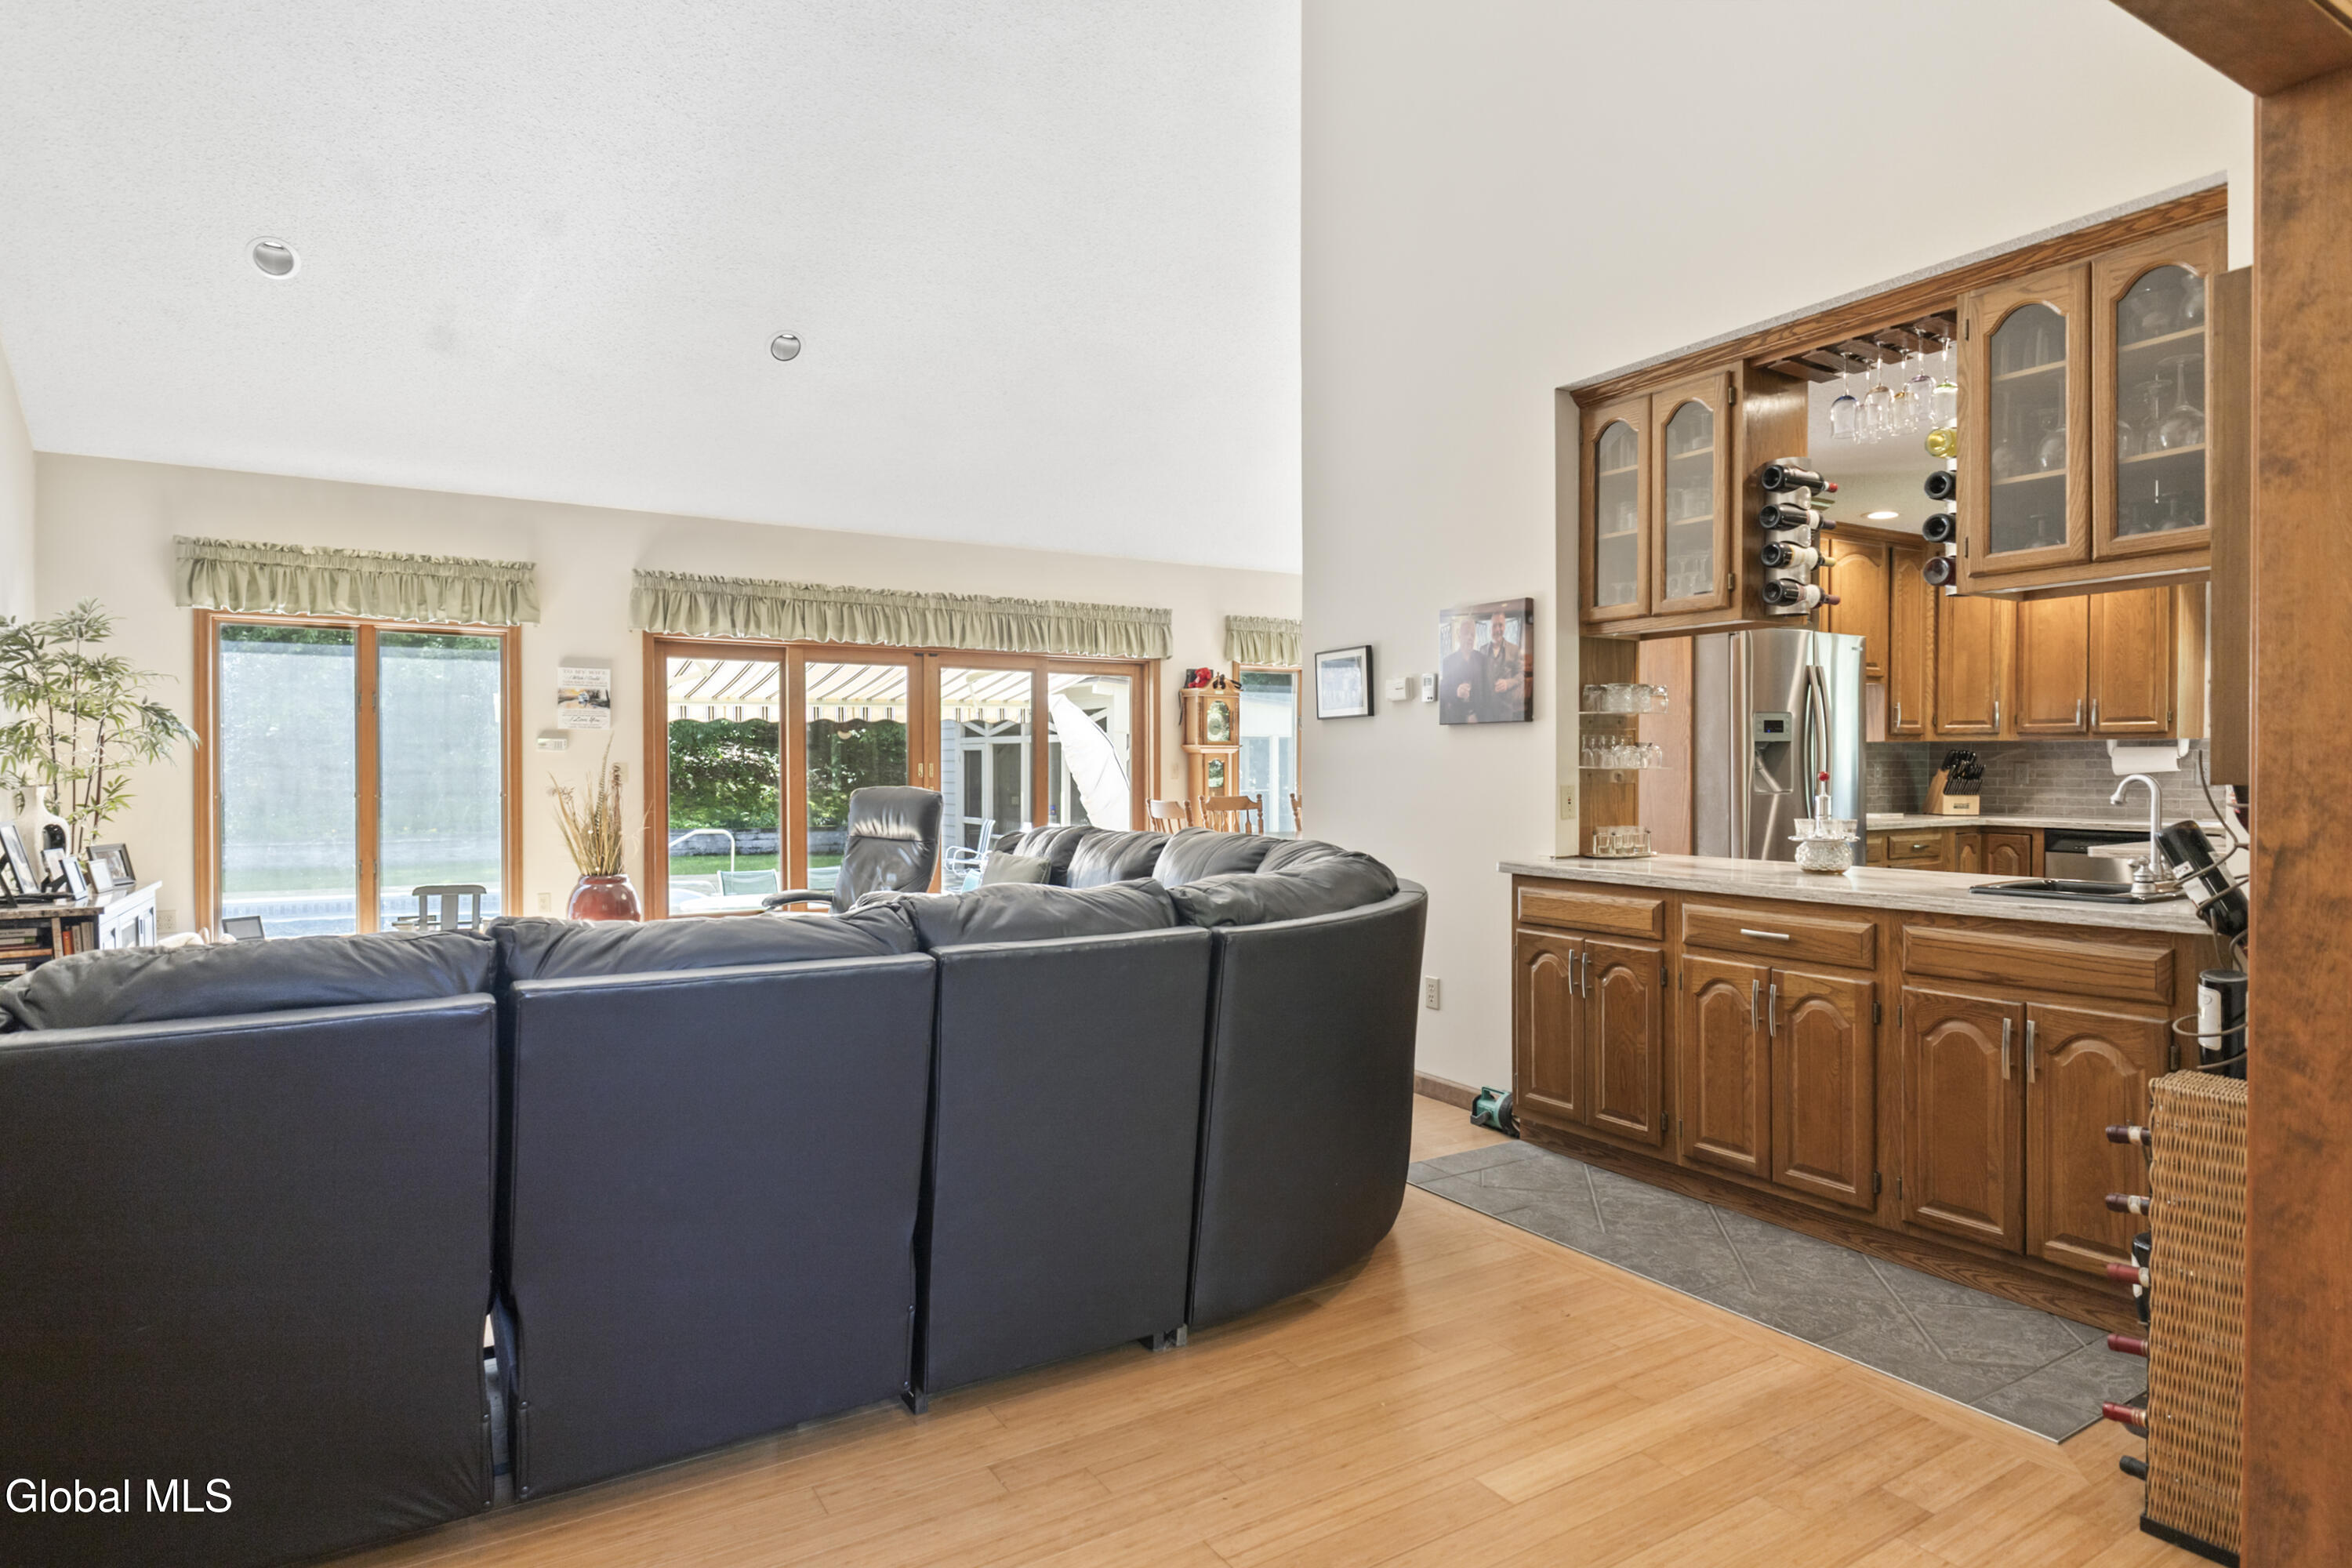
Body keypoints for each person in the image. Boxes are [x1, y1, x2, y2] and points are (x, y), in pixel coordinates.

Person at [1480, 608, 1526, 722]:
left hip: (1505, 709)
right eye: (1494, 626)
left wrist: (1508, 683)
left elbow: (1521, 675)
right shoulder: (1482, 650)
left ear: (1505, 626)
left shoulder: (1515, 649)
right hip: (1486, 709)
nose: (1497, 630)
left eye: (1500, 625)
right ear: (1490, 627)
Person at [1440, 615, 1486, 724]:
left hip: (1480, 718)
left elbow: (1486, 690)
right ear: (1459, 635)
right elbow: (1444, 692)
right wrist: (1457, 692)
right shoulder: (1448, 661)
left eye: (1472, 634)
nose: (1470, 637)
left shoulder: (1482, 659)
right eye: (1466, 633)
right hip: (1457, 718)